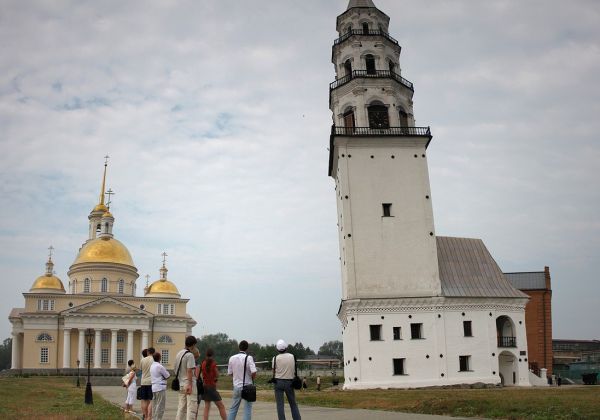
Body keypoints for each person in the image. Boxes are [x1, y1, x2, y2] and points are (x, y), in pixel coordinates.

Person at [272, 339, 301, 420]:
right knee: (293, 404)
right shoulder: (292, 356)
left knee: (280, 405)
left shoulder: (275, 358)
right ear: (286, 347)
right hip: (290, 382)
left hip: (278, 382)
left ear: (277, 349)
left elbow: (273, 370)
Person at [227, 340, 256, 420]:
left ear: (239, 347)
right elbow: (254, 371)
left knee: (233, 408)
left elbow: (230, 373)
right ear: (247, 348)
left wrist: (236, 377)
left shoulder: (232, 358)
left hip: (236, 386)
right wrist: (251, 378)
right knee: (247, 410)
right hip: (248, 386)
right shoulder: (249, 358)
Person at [175, 335, 199, 420]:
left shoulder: (179, 353)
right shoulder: (189, 355)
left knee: (181, 407)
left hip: (181, 383)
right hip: (189, 382)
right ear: (192, 345)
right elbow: (189, 370)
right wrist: (189, 384)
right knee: (191, 407)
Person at [201, 348, 227, 420]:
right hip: (212, 387)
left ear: (206, 355)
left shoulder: (203, 363)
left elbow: (202, 374)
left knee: (207, 407)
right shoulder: (213, 363)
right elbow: (217, 375)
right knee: (221, 406)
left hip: (205, 387)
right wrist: (215, 379)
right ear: (212, 355)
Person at [151, 352, 170, 420]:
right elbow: (167, 376)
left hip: (154, 387)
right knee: (160, 406)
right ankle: (158, 419)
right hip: (160, 387)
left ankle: (154, 418)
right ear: (159, 358)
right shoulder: (159, 366)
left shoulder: (152, 366)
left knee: (155, 405)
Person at [140, 347, 156, 420]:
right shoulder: (153, 359)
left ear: (148, 352)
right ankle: (149, 417)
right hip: (151, 382)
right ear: (153, 352)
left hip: (143, 382)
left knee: (144, 400)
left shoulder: (142, 360)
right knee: (151, 400)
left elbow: (141, 370)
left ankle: (145, 416)